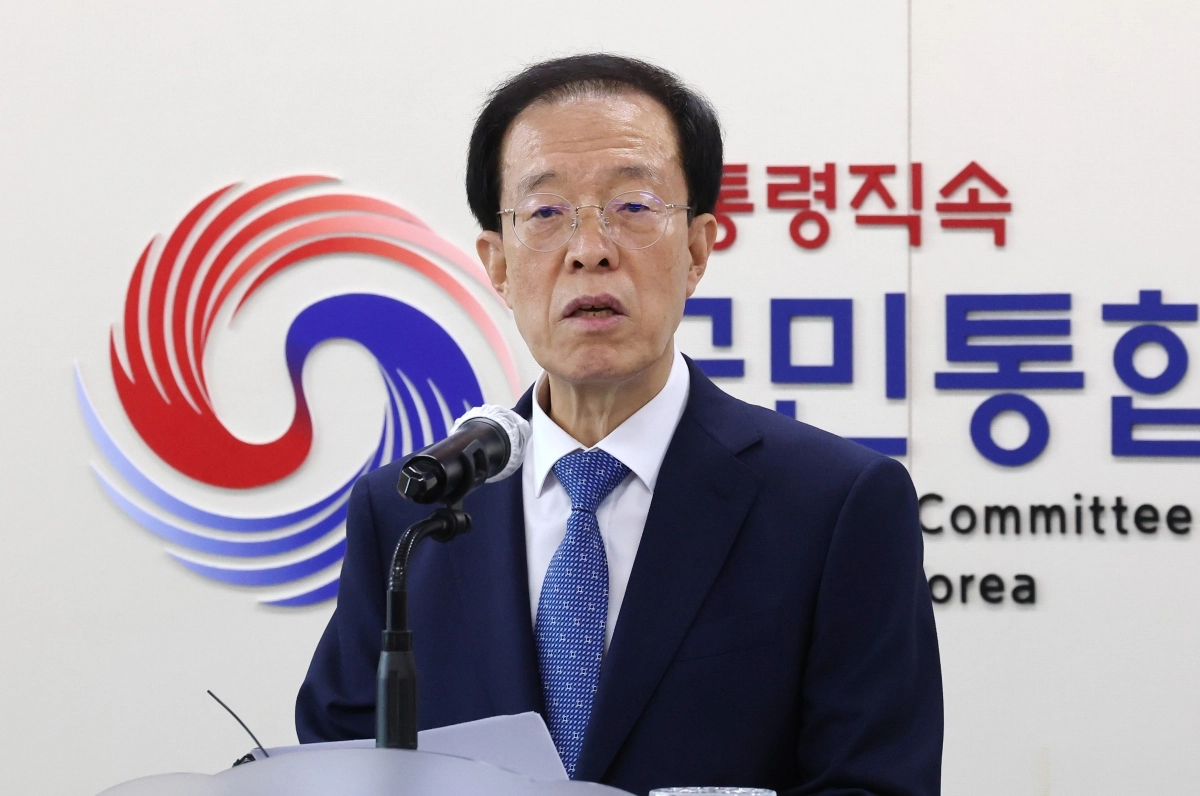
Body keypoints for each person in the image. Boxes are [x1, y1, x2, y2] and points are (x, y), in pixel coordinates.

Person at [296, 53, 942, 796]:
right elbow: (335, 763)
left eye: (633, 207)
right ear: (497, 265)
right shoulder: (407, 512)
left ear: (696, 249)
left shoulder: (836, 506)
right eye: (546, 213)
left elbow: (875, 783)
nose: (590, 250)